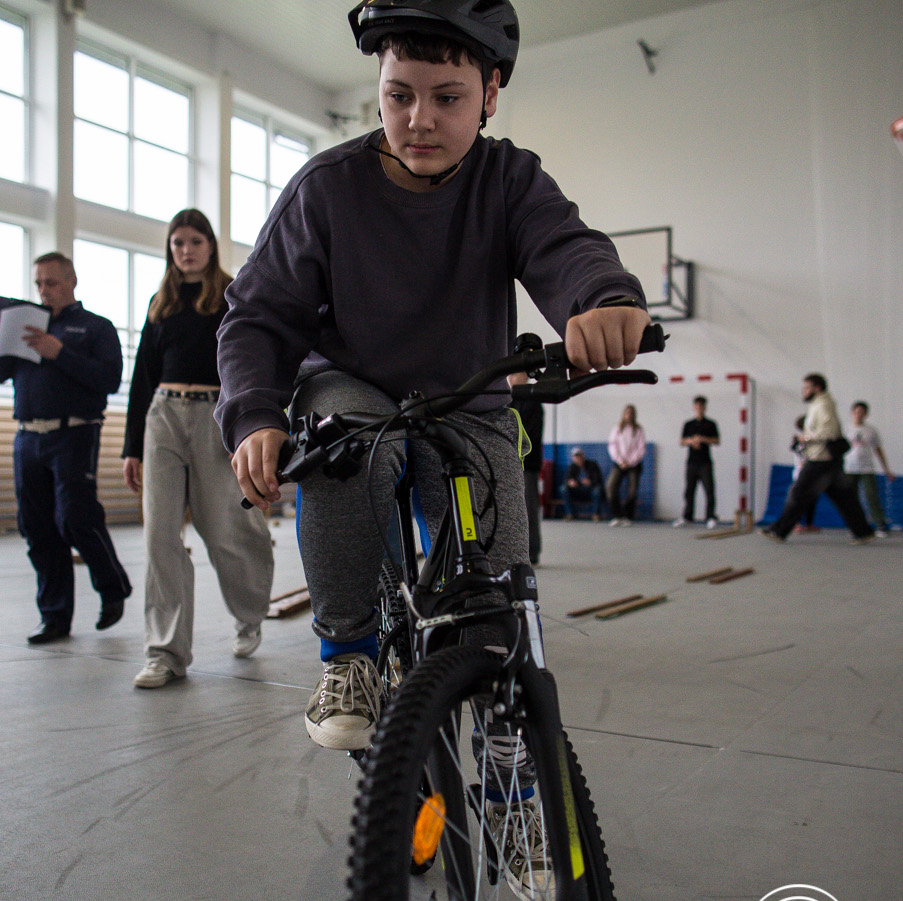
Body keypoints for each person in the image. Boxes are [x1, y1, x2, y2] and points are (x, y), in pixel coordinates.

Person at [220, 2, 648, 769]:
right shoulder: (327, 188)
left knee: (496, 590)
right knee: (346, 450)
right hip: (352, 385)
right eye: (399, 95)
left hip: (467, 396)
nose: (418, 120)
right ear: (379, 90)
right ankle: (349, 656)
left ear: (490, 94)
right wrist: (254, 414)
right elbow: (257, 314)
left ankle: (510, 748)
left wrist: (602, 299)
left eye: (447, 97)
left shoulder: (508, 178)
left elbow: (564, 246)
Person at [122, 209, 274, 689]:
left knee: (227, 529)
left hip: (216, 415)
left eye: (194, 242)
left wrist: (250, 423)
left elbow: (250, 361)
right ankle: (165, 653)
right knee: (159, 535)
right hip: (163, 416)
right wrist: (131, 447)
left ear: (210, 245)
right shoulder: (160, 303)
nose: (185, 251)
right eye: (177, 243)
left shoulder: (231, 294)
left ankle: (249, 614)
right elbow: (143, 376)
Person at [0, 251, 133, 645]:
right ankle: (54, 616)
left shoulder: (95, 327)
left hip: (74, 434)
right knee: (36, 527)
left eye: (51, 282)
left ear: (71, 281)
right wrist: (0, 335)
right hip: (27, 436)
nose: (43, 290)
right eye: (38, 283)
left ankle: (113, 586)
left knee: (74, 517)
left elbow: (109, 380)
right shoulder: (26, 325)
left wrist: (60, 353)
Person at [759, 374, 875, 543]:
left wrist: (805, 438)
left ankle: (779, 531)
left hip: (821, 459)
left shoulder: (823, 405)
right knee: (844, 498)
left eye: (807, 388)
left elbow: (830, 433)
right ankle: (863, 532)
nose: (804, 391)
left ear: (817, 388)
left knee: (798, 493)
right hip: (828, 460)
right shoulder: (819, 404)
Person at [845, 401, 896, 537]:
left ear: (866, 414)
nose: (859, 415)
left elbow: (878, 450)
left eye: (862, 412)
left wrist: (886, 469)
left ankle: (880, 525)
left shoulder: (871, 431)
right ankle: (855, 525)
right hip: (849, 468)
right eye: (856, 412)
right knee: (851, 499)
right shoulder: (846, 430)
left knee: (871, 495)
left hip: (867, 468)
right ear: (852, 413)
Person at [510, 375, 545, 563]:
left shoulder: (533, 402)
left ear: (525, 376)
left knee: (529, 509)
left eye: (515, 374)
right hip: (509, 462)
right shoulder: (507, 401)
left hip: (527, 465)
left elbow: (528, 435)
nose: (511, 379)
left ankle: (532, 551)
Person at [672, 395, 719, 528]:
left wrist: (703, 439)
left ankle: (710, 517)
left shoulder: (710, 424)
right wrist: (692, 441)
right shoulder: (689, 424)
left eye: (701, 406)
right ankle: (687, 516)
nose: (699, 408)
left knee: (709, 490)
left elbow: (716, 440)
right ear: (694, 407)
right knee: (689, 490)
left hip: (705, 462)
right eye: (697, 406)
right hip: (691, 462)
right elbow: (682, 441)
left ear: (704, 407)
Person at [606, 404, 646, 526]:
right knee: (610, 487)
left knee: (632, 490)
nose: (629, 415)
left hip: (634, 464)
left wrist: (630, 461)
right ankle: (617, 515)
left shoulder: (638, 430)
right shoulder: (617, 429)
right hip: (619, 463)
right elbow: (612, 446)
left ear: (634, 415)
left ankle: (628, 517)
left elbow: (641, 448)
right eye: (627, 413)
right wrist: (620, 461)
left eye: (631, 413)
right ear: (624, 414)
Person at [561, 447, 605, 520]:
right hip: (577, 491)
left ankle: (596, 514)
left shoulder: (593, 465)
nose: (578, 459)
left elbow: (599, 480)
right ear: (573, 458)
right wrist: (570, 482)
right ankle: (570, 514)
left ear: (583, 456)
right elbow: (566, 480)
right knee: (563, 489)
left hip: (590, 490)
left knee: (597, 490)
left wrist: (590, 482)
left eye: (580, 456)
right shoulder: (572, 467)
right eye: (576, 457)